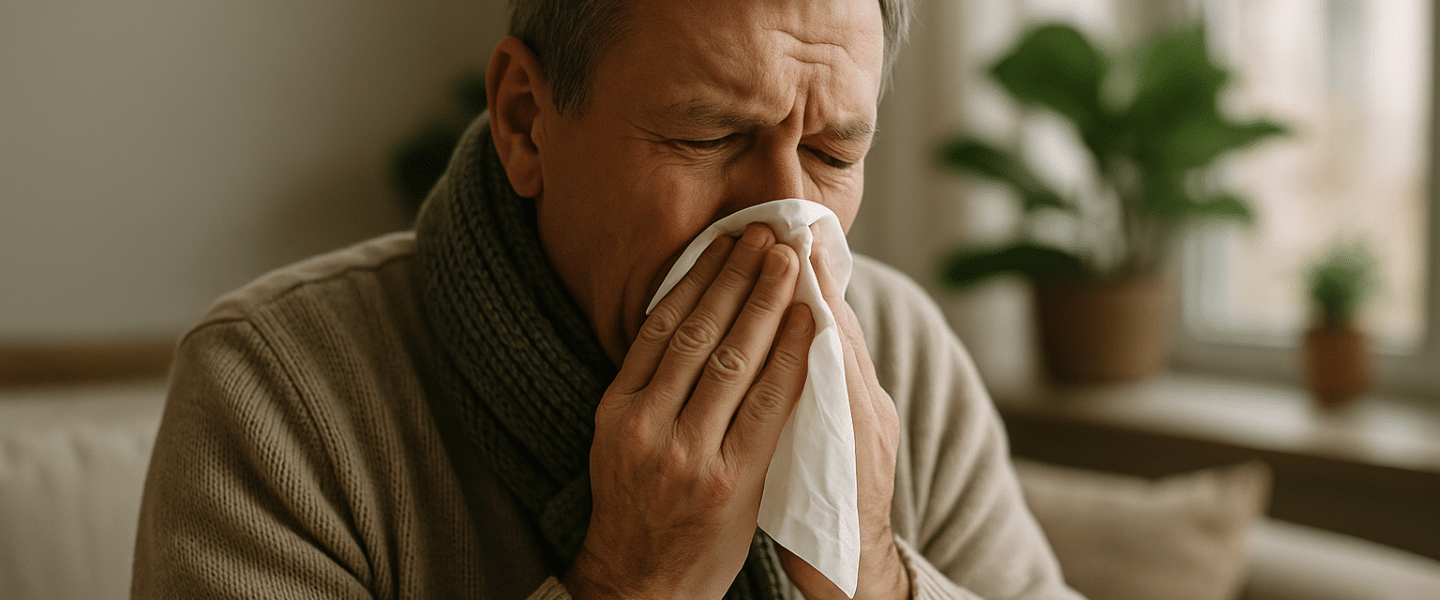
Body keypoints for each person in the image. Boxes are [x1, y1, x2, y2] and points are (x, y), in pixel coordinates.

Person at [132, 0, 1084, 598]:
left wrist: (873, 571)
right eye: (708, 136)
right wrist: (636, 581)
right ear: (524, 122)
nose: (784, 223)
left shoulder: (903, 354)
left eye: (833, 154)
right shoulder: (275, 395)